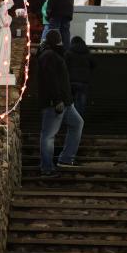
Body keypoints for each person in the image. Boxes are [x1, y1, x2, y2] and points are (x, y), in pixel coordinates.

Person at [37, 29, 84, 176]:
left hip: (64, 102)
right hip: (56, 102)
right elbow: (51, 80)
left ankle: (66, 158)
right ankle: (47, 167)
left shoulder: (50, 54)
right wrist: (57, 100)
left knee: (77, 123)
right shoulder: (50, 56)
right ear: (58, 40)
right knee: (48, 135)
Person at [65, 35, 95, 117]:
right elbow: (94, 64)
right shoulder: (87, 53)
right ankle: (79, 117)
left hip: (71, 81)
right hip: (84, 82)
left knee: (71, 101)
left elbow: (64, 65)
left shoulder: (69, 53)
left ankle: (71, 118)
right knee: (81, 101)